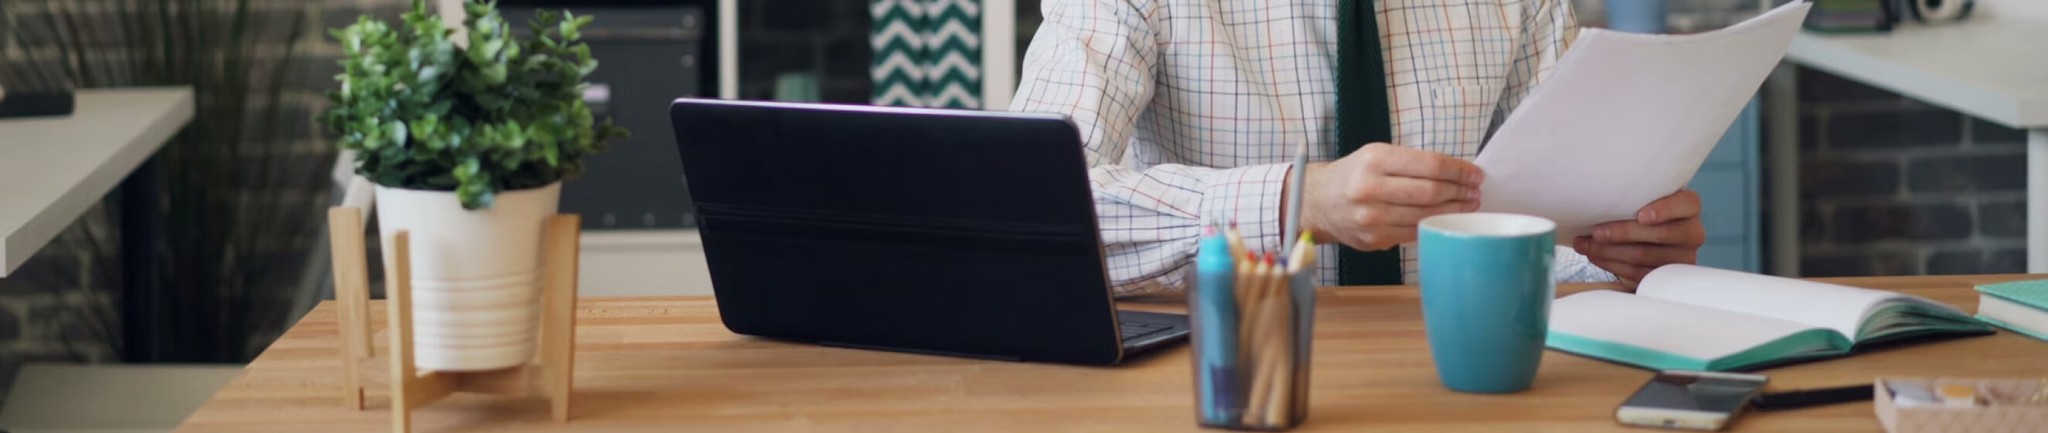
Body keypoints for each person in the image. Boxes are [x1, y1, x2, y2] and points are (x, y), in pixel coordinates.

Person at [1009, 0, 1704, 295]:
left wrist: (1625, 252)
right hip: (1227, 378)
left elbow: (1560, 232)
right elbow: (1026, 203)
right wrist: (1297, 200)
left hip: (1466, 384)